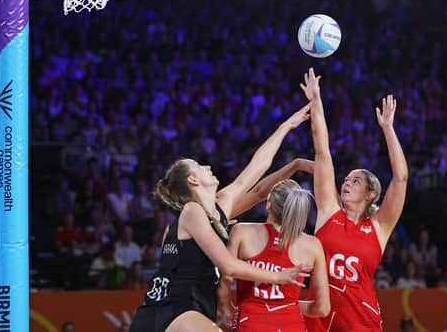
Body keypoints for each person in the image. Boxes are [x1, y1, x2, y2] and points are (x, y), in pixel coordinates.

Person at [130, 104, 313, 332]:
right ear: (193, 181)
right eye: (197, 166)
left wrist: (287, 127)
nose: (206, 166)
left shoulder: (218, 209)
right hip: (172, 306)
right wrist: (278, 276)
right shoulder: (192, 211)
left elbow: (257, 175)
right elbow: (228, 265)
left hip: (192, 306)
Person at [300, 68, 408, 332]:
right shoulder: (328, 211)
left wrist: (388, 129)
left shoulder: (379, 227)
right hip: (319, 316)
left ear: (371, 193)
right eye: (346, 179)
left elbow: (401, 177)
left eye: (355, 180)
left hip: (361, 320)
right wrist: (316, 101)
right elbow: (322, 151)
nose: (346, 182)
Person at [226, 179, 330, 331]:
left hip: (250, 321)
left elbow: (223, 283)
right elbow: (322, 308)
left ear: (269, 205)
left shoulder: (241, 231)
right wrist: (286, 306)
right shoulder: (312, 245)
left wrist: (226, 306)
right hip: (291, 324)